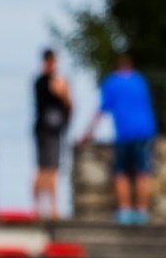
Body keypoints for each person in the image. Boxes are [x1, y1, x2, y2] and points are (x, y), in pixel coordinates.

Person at [80, 53, 157, 224]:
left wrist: (88, 132)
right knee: (143, 172)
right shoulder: (140, 80)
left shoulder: (112, 82)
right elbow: (148, 106)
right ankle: (142, 212)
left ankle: (125, 211)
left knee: (120, 172)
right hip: (145, 131)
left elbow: (101, 110)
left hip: (124, 133)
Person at [32, 49, 73, 219]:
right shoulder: (55, 81)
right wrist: (64, 93)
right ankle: (52, 207)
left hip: (41, 127)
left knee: (41, 168)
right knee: (51, 169)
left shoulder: (38, 81)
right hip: (52, 129)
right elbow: (69, 104)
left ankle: (37, 207)